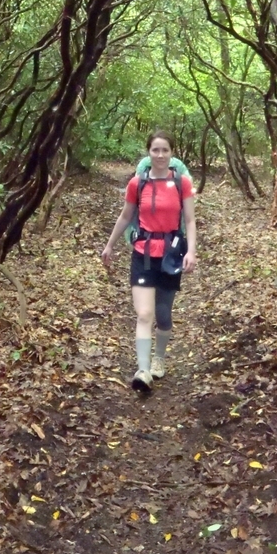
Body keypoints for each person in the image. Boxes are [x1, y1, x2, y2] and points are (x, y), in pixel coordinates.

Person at [102, 131, 197, 392]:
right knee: (144, 314)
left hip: (171, 255)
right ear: (148, 153)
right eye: (155, 150)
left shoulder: (182, 183)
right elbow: (125, 216)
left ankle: (159, 358)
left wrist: (192, 251)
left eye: (165, 150)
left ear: (172, 153)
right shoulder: (137, 184)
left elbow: (189, 220)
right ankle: (143, 370)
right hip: (143, 255)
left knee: (163, 315)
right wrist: (110, 245)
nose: (160, 155)